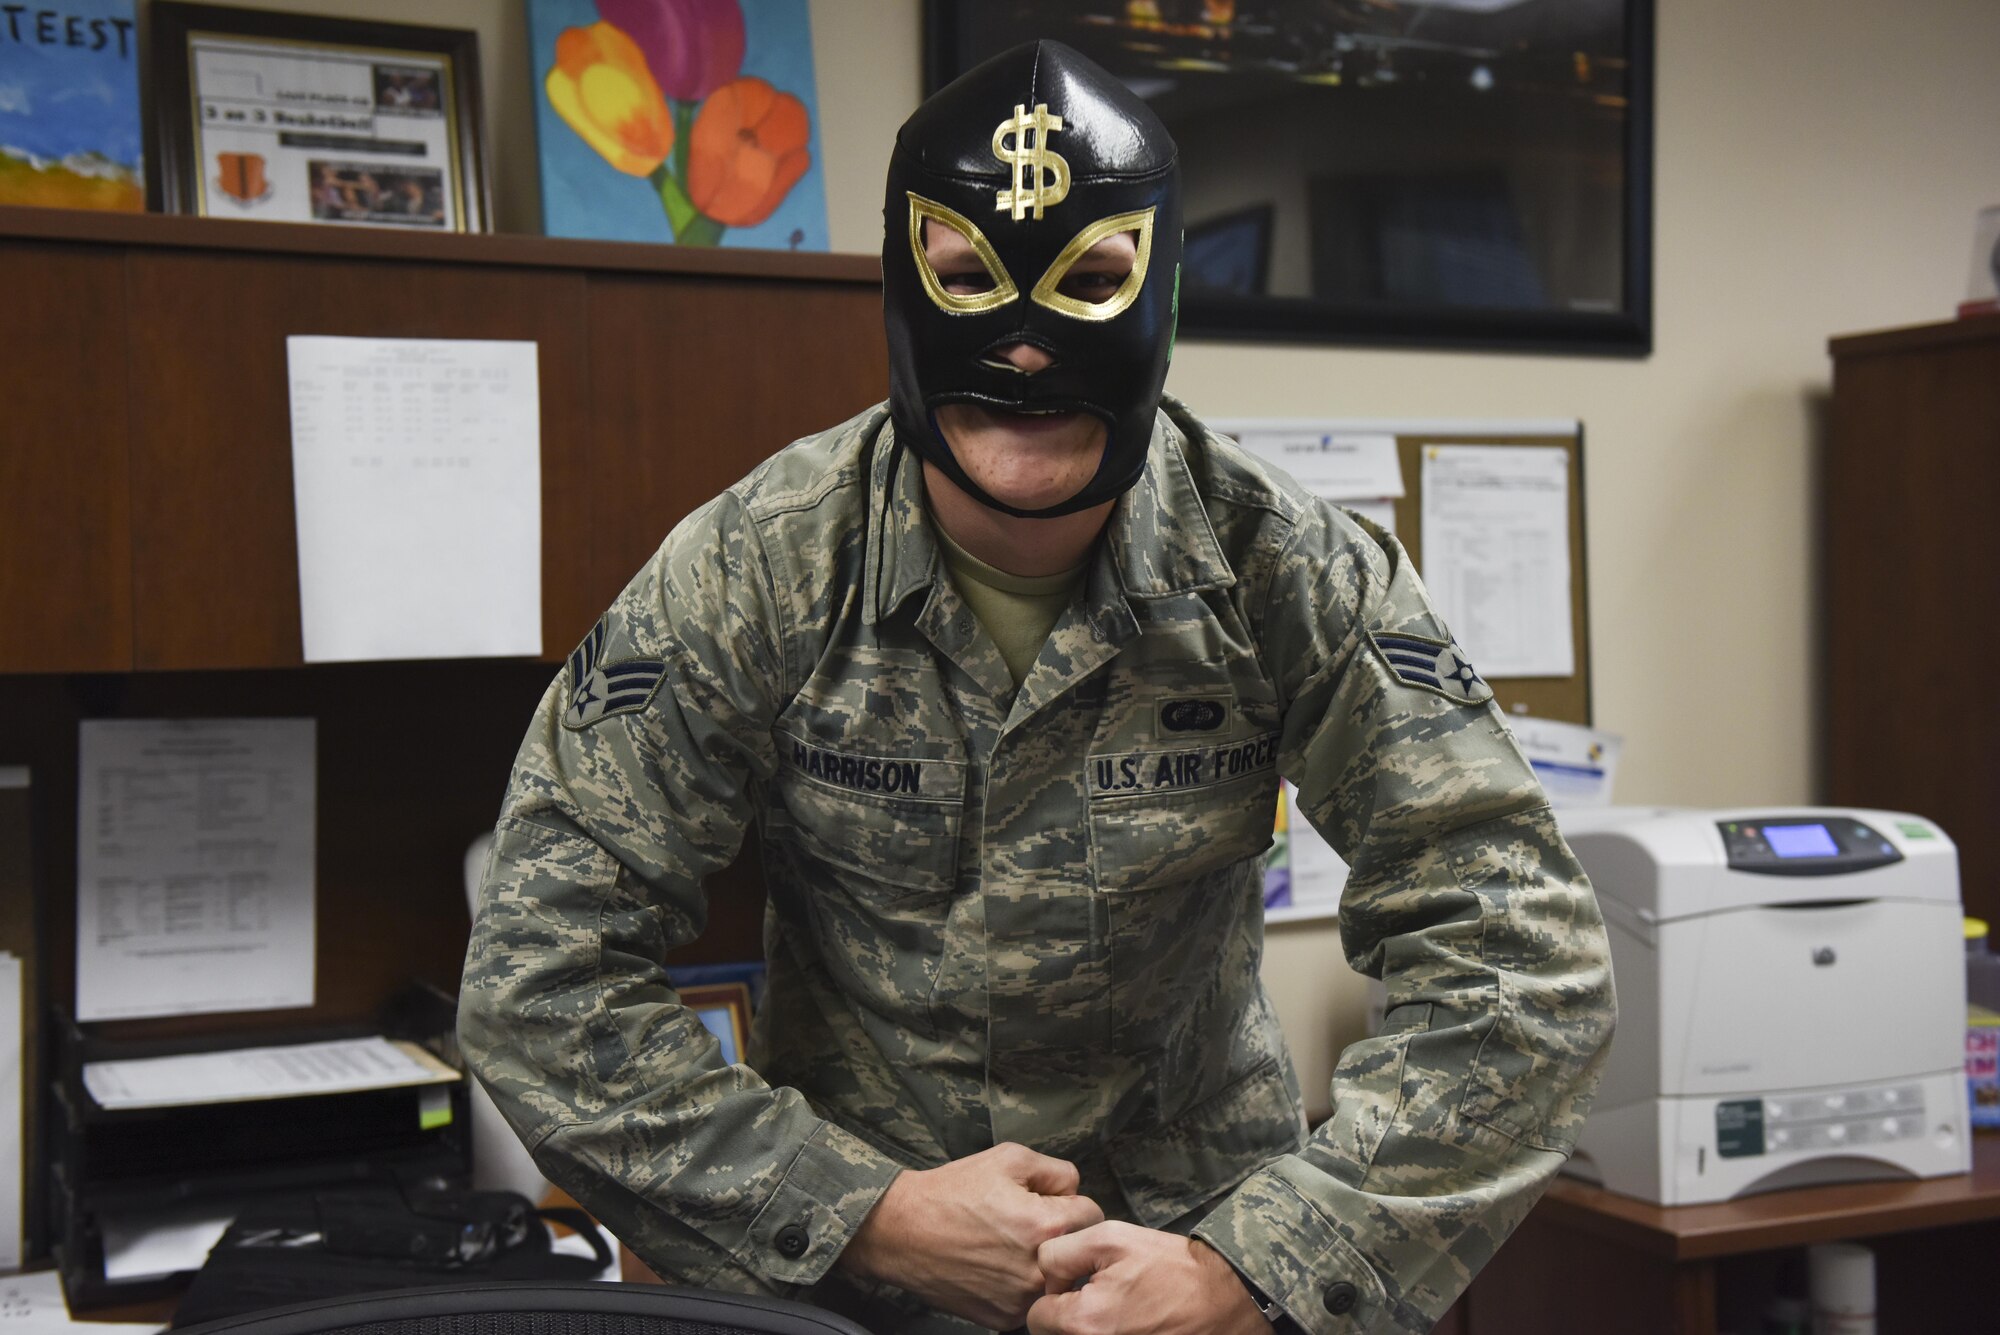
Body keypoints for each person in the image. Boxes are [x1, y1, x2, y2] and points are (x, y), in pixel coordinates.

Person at [459, 39, 1613, 1335]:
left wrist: (1257, 1269)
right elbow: (535, 980)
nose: (1023, 352)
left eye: (1091, 281)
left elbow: (1522, 959)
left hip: (1198, 1274)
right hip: (859, 1292)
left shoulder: (1288, 568)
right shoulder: (758, 568)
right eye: (967, 279)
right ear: (904, 290)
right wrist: (868, 1215)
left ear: (1164, 295)